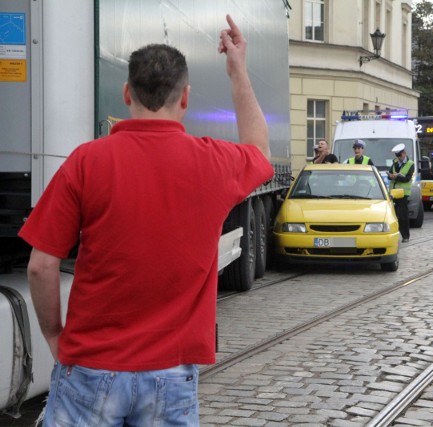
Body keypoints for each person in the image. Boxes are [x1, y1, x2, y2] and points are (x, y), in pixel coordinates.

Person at [18, 15, 273, 426]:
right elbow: (258, 148)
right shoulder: (213, 163)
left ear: (126, 93)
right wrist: (238, 69)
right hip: (170, 376)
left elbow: (41, 265)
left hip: (89, 367)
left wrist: (54, 335)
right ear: (185, 97)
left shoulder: (87, 161)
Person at [388, 143, 414, 242]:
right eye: (397, 156)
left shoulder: (410, 164)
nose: (399, 158)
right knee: (392, 215)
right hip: (393, 193)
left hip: (403, 193)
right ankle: (393, 235)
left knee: (403, 216)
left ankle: (405, 236)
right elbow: (389, 174)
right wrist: (390, 176)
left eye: (400, 155)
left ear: (404, 153)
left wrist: (397, 177)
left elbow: (407, 178)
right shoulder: (394, 163)